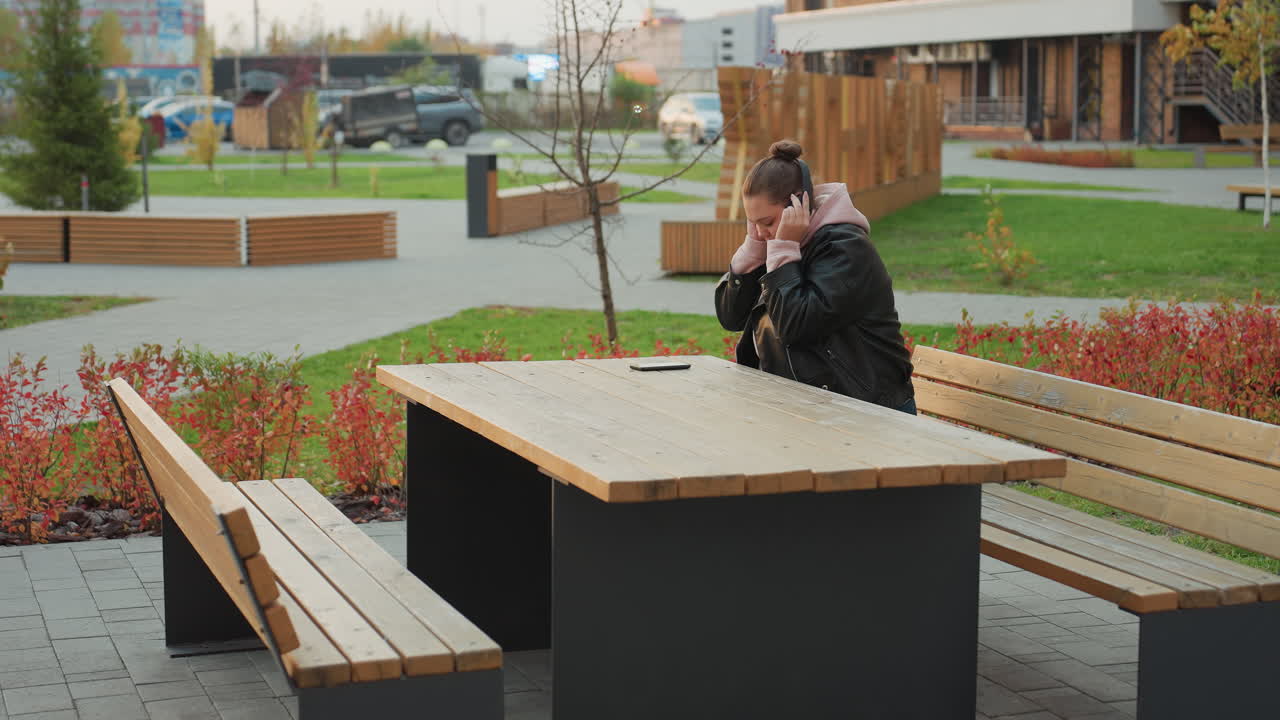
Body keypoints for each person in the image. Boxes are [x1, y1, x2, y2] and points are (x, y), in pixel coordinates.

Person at [715, 139, 917, 415]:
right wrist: (751, 254)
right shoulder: (771, 246)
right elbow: (731, 318)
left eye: (768, 222)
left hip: (868, 409)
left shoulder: (845, 248)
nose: (761, 233)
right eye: (752, 222)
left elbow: (795, 326)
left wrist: (783, 251)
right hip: (804, 405)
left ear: (800, 204)